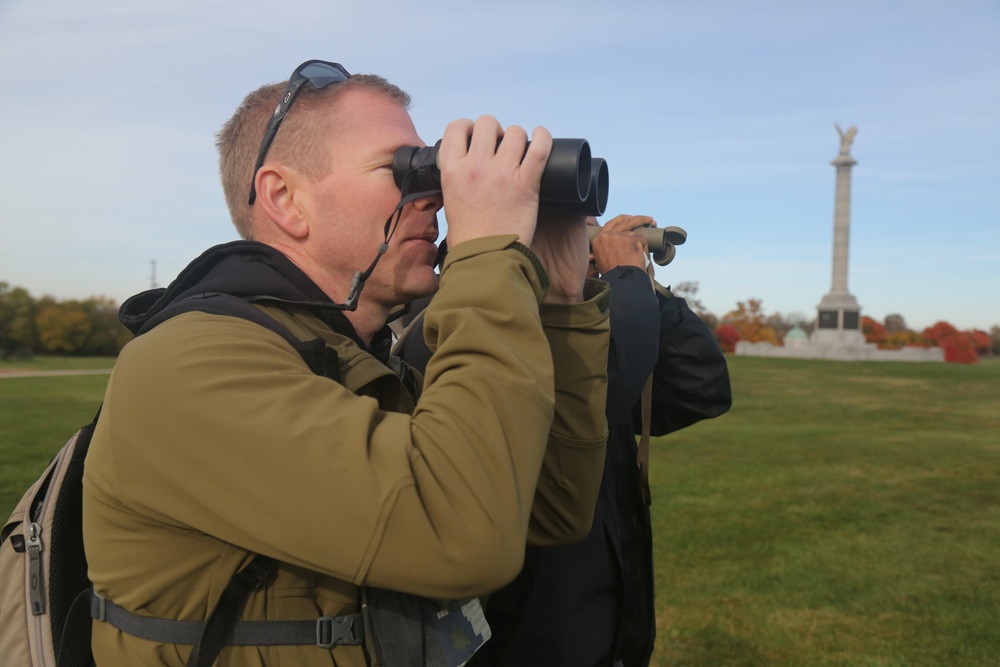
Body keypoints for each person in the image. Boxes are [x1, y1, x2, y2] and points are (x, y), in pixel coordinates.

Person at [81, 59, 612, 667]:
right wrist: (489, 255)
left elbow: (551, 510)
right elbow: (465, 535)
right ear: (285, 199)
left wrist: (560, 298)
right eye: (402, 170)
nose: (437, 194)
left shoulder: (357, 363)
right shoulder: (189, 365)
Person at [396, 214, 732, 666]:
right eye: (571, 226)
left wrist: (645, 290)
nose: (586, 238)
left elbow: (701, 387)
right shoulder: (450, 324)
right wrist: (624, 279)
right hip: (527, 635)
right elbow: (594, 398)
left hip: (606, 628)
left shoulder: (585, 327)